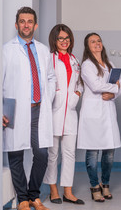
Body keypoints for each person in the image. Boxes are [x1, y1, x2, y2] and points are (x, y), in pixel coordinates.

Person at [2, 6, 56, 210]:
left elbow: (51, 77)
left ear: (36, 25)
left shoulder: (43, 50)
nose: (26, 25)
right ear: (17, 25)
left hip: (39, 109)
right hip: (15, 109)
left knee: (42, 154)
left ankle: (34, 195)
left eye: (30, 21)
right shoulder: (6, 50)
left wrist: (47, 96)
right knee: (15, 152)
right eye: (22, 21)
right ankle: (23, 198)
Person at [77, 33, 121, 202]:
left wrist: (113, 94)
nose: (97, 43)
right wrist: (114, 87)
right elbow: (96, 86)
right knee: (92, 154)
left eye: (98, 41)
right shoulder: (87, 65)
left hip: (108, 112)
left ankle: (105, 184)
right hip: (93, 114)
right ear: (88, 46)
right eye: (93, 42)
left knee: (109, 154)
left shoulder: (110, 63)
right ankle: (94, 185)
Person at [43, 24, 84, 205]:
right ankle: (53, 190)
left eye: (67, 38)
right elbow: (45, 83)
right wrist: (57, 95)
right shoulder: (49, 59)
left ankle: (68, 191)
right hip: (53, 112)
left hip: (71, 112)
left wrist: (77, 94)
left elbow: (80, 83)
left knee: (69, 153)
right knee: (52, 154)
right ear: (54, 40)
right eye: (61, 38)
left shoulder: (75, 60)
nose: (64, 41)